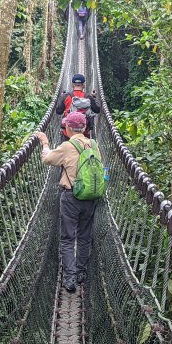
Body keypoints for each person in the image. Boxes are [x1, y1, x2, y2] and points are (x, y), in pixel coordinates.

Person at [35, 112, 100, 292]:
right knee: (84, 237)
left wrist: (45, 143)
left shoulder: (67, 145)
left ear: (68, 128)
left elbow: (47, 159)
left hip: (71, 197)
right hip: (91, 197)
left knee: (67, 238)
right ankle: (80, 273)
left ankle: (70, 278)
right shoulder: (94, 145)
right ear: (85, 128)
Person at [56, 74, 100, 140]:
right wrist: (94, 98)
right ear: (83, 85)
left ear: (72, 84)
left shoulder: (65, 96)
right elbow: (97, 110)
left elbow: (59, 111)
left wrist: (61, 98)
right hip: (83, 132)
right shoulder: (88, 97)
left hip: (68, 132)